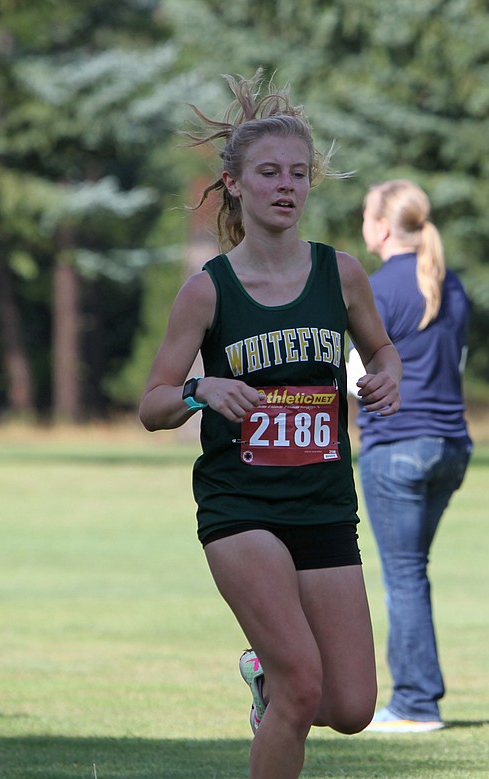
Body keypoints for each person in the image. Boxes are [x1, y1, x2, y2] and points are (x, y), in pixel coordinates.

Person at [138, 71, 402, 779]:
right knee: (303, 687)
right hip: (240, 506)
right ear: (235, 184)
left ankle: (265, 677)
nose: (286, 185)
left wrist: (387, 376)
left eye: (298, 174)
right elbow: (152, 403)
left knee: (350, 706)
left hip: (322, 501)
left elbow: (381, 349)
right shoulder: (207, 290)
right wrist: (200, 389)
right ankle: (280, 682)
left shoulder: (340, 274)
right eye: (269, 173)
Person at [350, 179, 473, 733]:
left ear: (380, 226)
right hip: (451, 447)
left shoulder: (372, 289)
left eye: (364, 216)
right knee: (412, 573)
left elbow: (355, 378)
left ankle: (416, 703)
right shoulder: (453, 286)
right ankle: (417, 696)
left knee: (403, 576)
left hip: (397, 446)